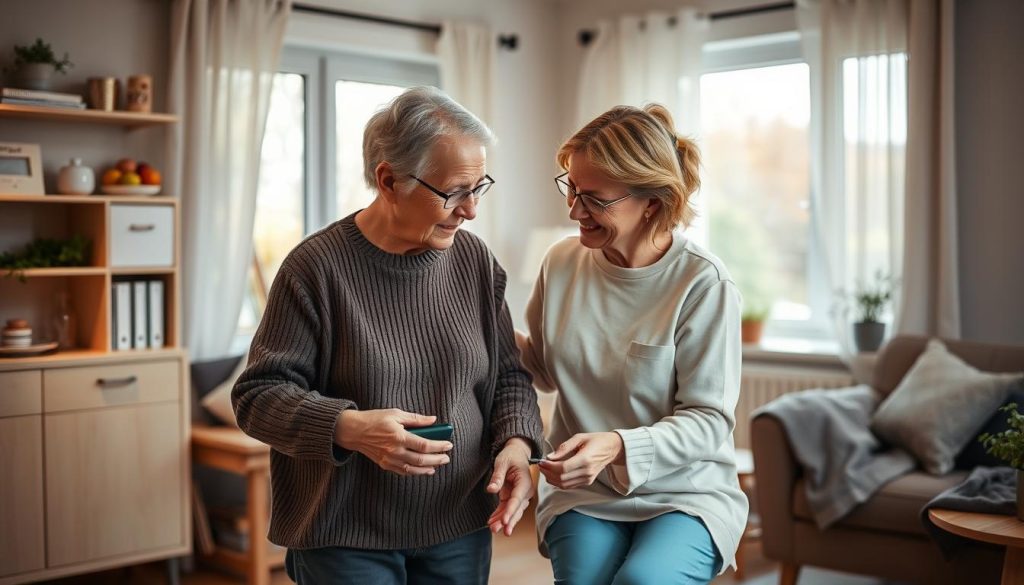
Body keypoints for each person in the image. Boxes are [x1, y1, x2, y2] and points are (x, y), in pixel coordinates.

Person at [232, 86, 544, 585]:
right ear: (388, 179)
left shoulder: (476, 262)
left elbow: (509, 374)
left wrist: (516, 443)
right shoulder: (315, 268)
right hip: (344, 535)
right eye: (453, 192)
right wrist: (350, 428)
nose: (470, 211)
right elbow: (257, 396)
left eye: (479, 187)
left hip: (459, 525)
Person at [516, 104, 748, 584]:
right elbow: (540, 368)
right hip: (586, 489)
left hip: (685, 489)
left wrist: (617, 446)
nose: (574, 211)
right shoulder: (561, 263)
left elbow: (708, 419)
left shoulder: (703, 283)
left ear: (654, 202)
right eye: (571, 189)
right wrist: (479, 315)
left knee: (641, 580)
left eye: (595, 199)